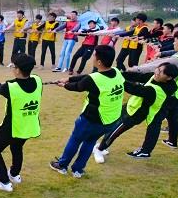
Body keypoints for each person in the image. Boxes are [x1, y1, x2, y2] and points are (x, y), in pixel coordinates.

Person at [50, 45, 124, 177]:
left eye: (94, 55)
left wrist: (65, 85)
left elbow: (78, 86)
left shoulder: (94, 79)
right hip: (110, 120)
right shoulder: (116, 72)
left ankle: (62, 165)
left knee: (75, 139)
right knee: (90, 142)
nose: (92, 57)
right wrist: (69, 78)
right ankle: (78, 170)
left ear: (99, 62)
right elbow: (89, 77)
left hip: (92, 118)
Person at [92, 62, 178, 163]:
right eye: (157, 69)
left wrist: (116, 79)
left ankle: (99, 149)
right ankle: (100, 145)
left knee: (115, 131)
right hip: (129, 106)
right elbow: (139, 77)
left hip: (134, 114)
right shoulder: (156, 78)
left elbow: (134, 89)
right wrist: (119, 74)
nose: (156, 72)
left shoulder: (155, 90)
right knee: (110, 124)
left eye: (160, 72)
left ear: (168, 78)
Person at [127, 29, 178, 155]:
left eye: (175, 41)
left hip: (169, 95)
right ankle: (172, 141)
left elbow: (156, 66)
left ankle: (145, 151)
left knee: (155, 121)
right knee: (173, 118)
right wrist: (163, 53)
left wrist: (136, 69)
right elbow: (171, 53)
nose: (173, 43)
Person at [0, 53, 42, 192]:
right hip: (28, 126)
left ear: (18, 70)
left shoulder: (10, 87)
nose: (12, 68)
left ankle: (4, 182)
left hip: (11, 127)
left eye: (13, 66)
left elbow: (0, 88)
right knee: (17, 147)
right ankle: (14, 174)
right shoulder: (38, 80)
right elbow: (17, 82)